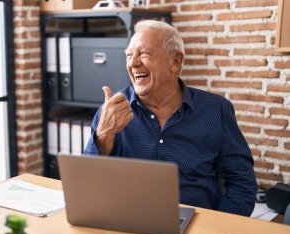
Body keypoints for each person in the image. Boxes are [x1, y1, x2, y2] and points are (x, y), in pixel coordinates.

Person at [84, 19, 258, 216]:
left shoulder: (216, 110)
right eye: (129, 56)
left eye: (143, 54)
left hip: (198, 224)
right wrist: (104, 133)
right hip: (127, 219)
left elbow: (242, 183)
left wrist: (219, 228)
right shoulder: (112, 111)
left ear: (175, 62)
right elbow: (87, 185)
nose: (133, 63)